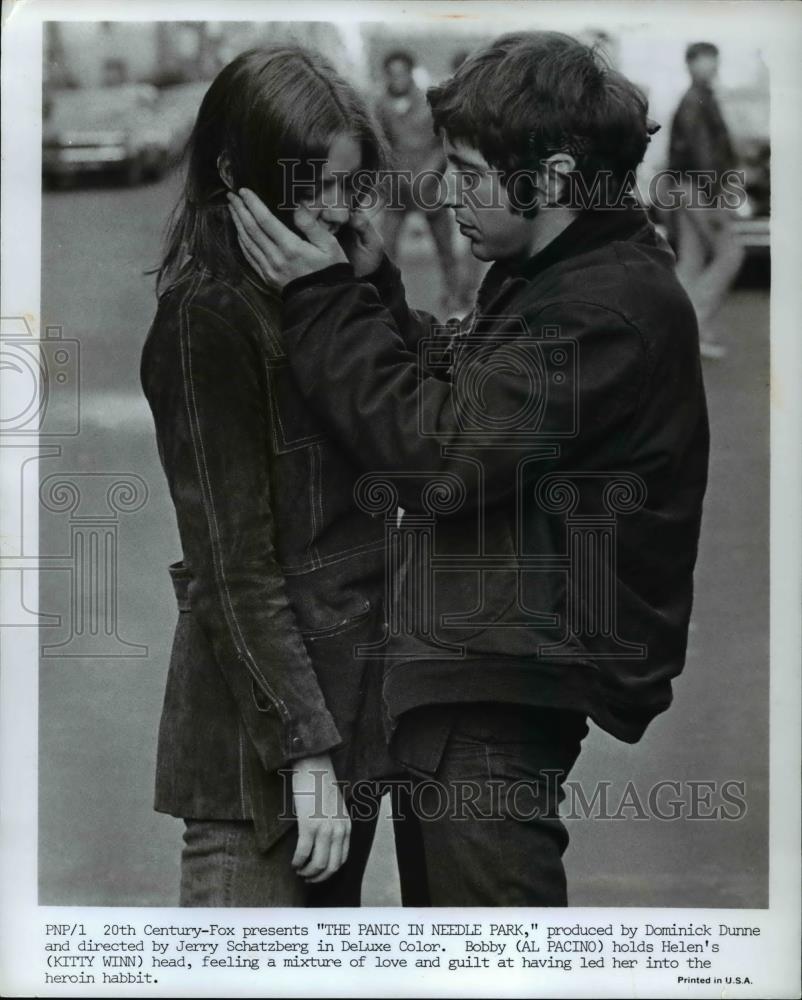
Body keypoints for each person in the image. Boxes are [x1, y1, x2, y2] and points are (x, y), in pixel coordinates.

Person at [229, 30, 710, 907]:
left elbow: (437, 456)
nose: (447, 193)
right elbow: (465, 390)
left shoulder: (602, 310)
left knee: (491, 962)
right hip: (484, 670)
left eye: (469, 170)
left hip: (499, 690)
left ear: (556, 176)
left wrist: (319, 300)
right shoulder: (564, 275)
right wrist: (372, 291)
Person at [140, 45, 426, 907]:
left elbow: (414, 451)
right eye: (313, 186)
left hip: (349, 731)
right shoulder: (206, 317)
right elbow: (233, 568)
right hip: (260, 765)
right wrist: (305, 753)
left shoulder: (328, 287)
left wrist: (375, 287)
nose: (334, 213)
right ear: (232, 170)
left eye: (350, 188)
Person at [668, 41, 745, 359]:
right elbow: (704, 154)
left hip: (686, 186)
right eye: (705, 61)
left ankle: (676, 330)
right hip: (700, 187)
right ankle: (693, 326)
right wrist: (714, 199)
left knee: (691, 261)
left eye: (715, 59)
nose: (712, 66)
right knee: (731, 253)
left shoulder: (697, 98)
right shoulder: (697, 101)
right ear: (690, 64)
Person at [375, 49, 457, 313]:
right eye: (392, 73)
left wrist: (428, 173)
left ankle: (456, 300)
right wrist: (393, 173)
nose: (397, 78)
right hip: (397, 189)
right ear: (386, 75)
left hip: (429, 186)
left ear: (411, 73)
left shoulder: (429, 102)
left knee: (446, 249)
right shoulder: (381, 106)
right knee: (384, 249)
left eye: (402, 72)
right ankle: (383, 302)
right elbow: (380, 144)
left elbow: (443, 144)